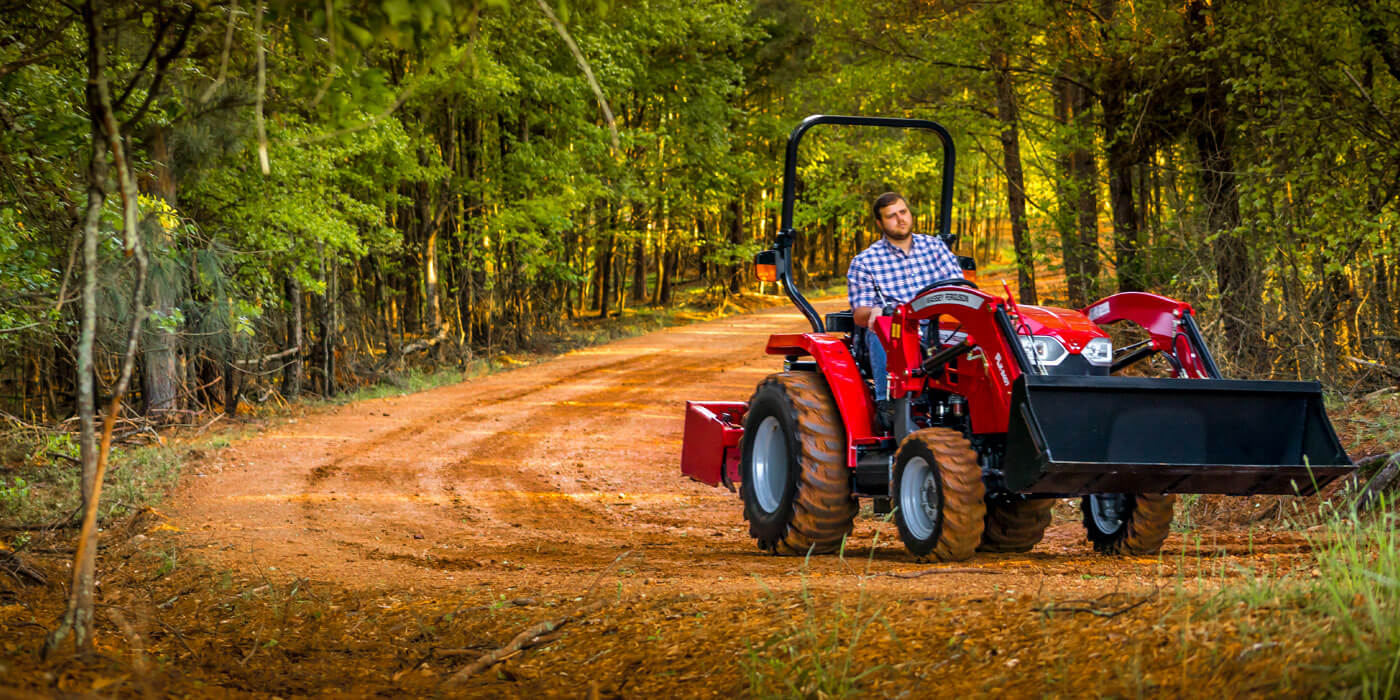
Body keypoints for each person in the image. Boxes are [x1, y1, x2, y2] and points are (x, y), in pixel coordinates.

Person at [847, 192, 964, 423]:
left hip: (938, 327)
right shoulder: (865, 262)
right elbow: (860, 315)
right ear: (880, 224)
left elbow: (959, 289)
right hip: (899, 333)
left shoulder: (935, 248)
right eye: (891, 216)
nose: (900, 219)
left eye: (903, 212)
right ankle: (887, 403)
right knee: (885, 326)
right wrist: (876, 311)